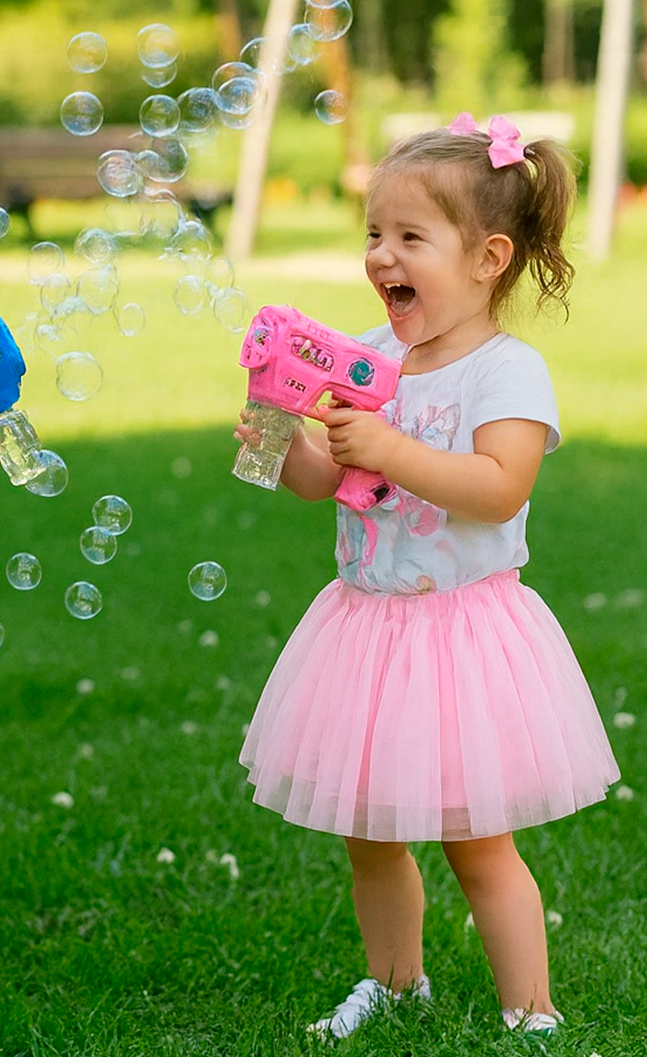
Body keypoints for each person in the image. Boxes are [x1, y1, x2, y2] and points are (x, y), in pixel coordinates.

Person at [236, 114, 619, 1039]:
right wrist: (273, 426)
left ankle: (533, 1012)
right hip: (367, 632)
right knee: (371, 835)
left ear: (488, 257)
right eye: (374, 233)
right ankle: (396, 982)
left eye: (410, 237)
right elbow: (322, 482)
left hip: (461, 637)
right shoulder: (371, 355)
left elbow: (498, 489)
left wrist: (393, 446)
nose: (382, 255)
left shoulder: (507, 372)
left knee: (477, 844)